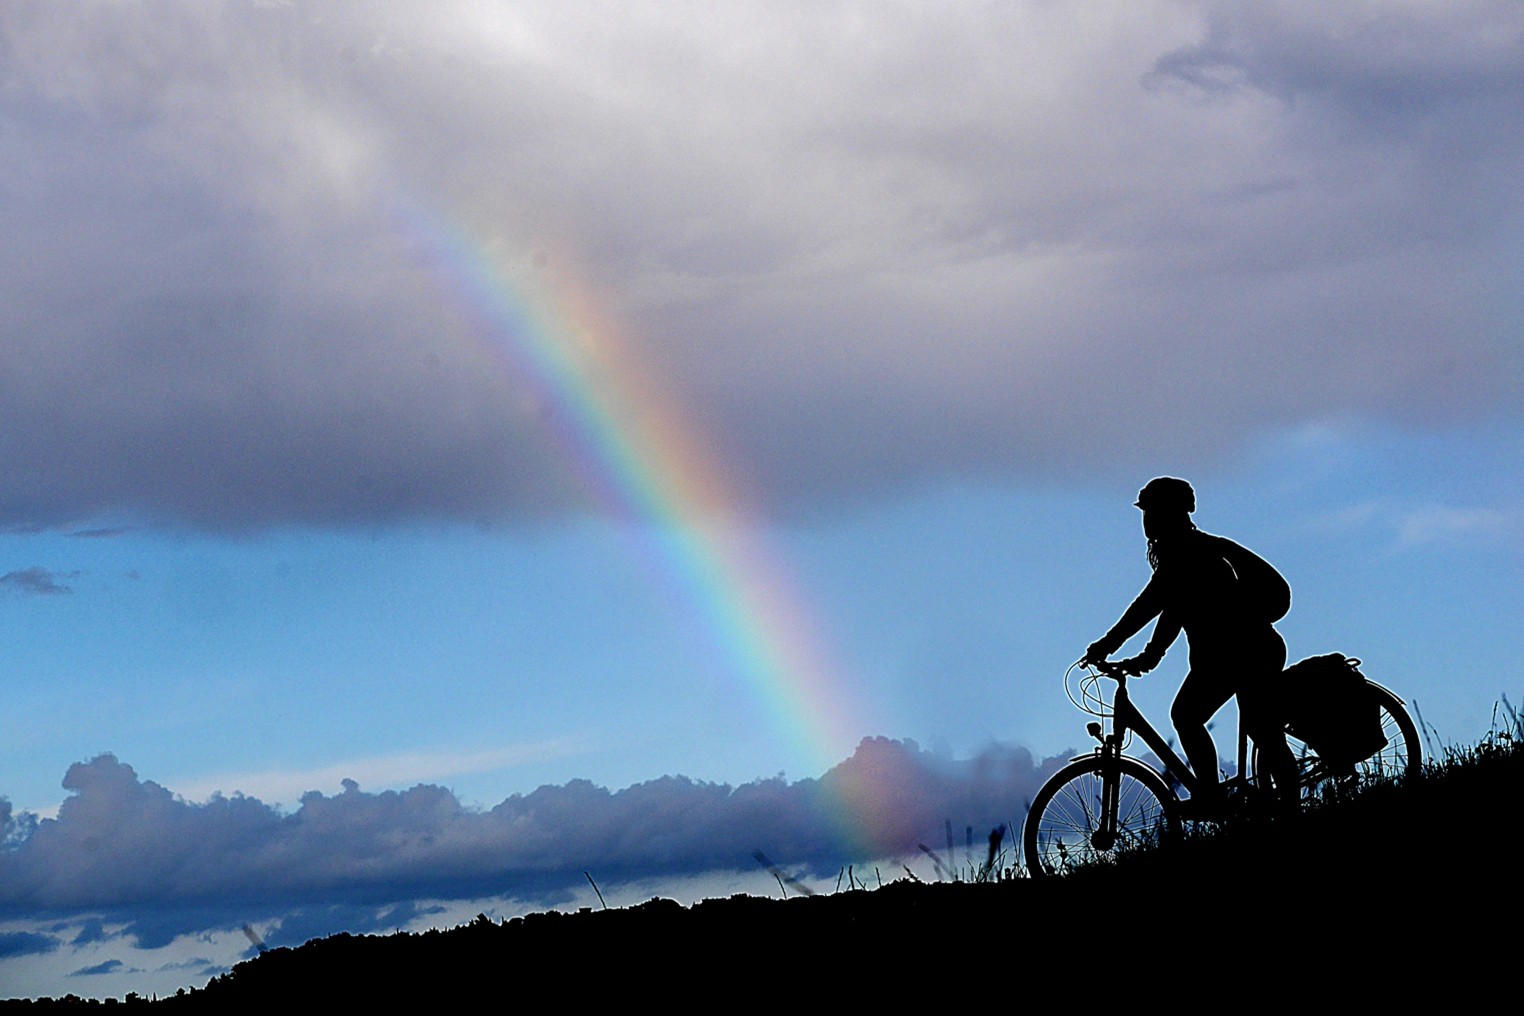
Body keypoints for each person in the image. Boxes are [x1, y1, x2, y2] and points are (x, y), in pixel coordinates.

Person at [1080, 477, 1297, 813]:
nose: (1147, 521)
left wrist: (1109, 645)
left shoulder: (1192, 554)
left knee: (1231, 724)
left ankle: (1278, 807)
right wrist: (1149, 655)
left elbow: (1153, 604)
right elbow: (1174, 607)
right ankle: (1217, 796)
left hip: (1248, 653)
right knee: (1216, 720)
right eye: (1146, 513)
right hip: (1228, 657)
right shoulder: (1181, 557)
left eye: (1152, 512)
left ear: (1171, 514)